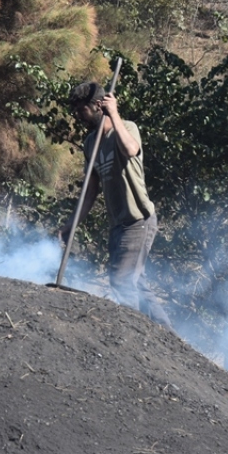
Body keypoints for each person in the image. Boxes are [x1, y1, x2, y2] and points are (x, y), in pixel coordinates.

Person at [64, 81, 173, 328]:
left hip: (138, 220)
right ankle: (168, 337)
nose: (79, 116)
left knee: (122, 280)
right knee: (137, 284)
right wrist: (71, 225)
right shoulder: (91, 143)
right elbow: (90, 191)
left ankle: (131, 334)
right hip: (118, 225)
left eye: (82, 110)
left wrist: (114, 113)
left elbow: (132, 149)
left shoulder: (126, 129)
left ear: (98, 106)